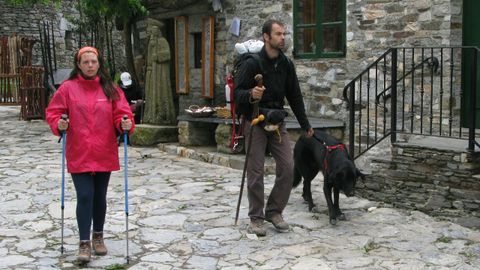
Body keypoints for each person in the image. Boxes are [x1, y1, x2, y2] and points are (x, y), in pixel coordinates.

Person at [45, 46, 135, 263]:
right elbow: (54, 112)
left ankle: (98, 237)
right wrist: (60, 123)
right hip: (79, 150)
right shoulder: (67, 89)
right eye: (85, 62)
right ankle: (84, 242)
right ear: (79, 65)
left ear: (99, 64)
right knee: (85, 195)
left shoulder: (111, 89)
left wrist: (124, 123)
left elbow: (122, 113)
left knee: (100, 197)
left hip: (104, 150)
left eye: (93, 62)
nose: (90, 65)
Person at [234, 19, 314, 236]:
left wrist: (305, 124)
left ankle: (274, 210)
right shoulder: (252, 64)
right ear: (266, 37)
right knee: (256, 171)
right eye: (278, 34)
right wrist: (251, 94)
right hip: (255, 121)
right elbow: (237, 94)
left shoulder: (286, 64)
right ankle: (256, 218)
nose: (283, 38)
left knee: (288, 167)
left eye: (284, 34)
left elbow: (294, 96)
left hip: (277, 121)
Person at [143, 20, 176, 125]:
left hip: (159, 73)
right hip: (151, 72)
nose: (149, 32)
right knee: (150, 94)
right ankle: (150, 116)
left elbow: (167, 54)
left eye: (150, 30)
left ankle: (161, 114)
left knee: (159, 92)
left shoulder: (162, 41)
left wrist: (157, 56)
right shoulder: (151, 43)